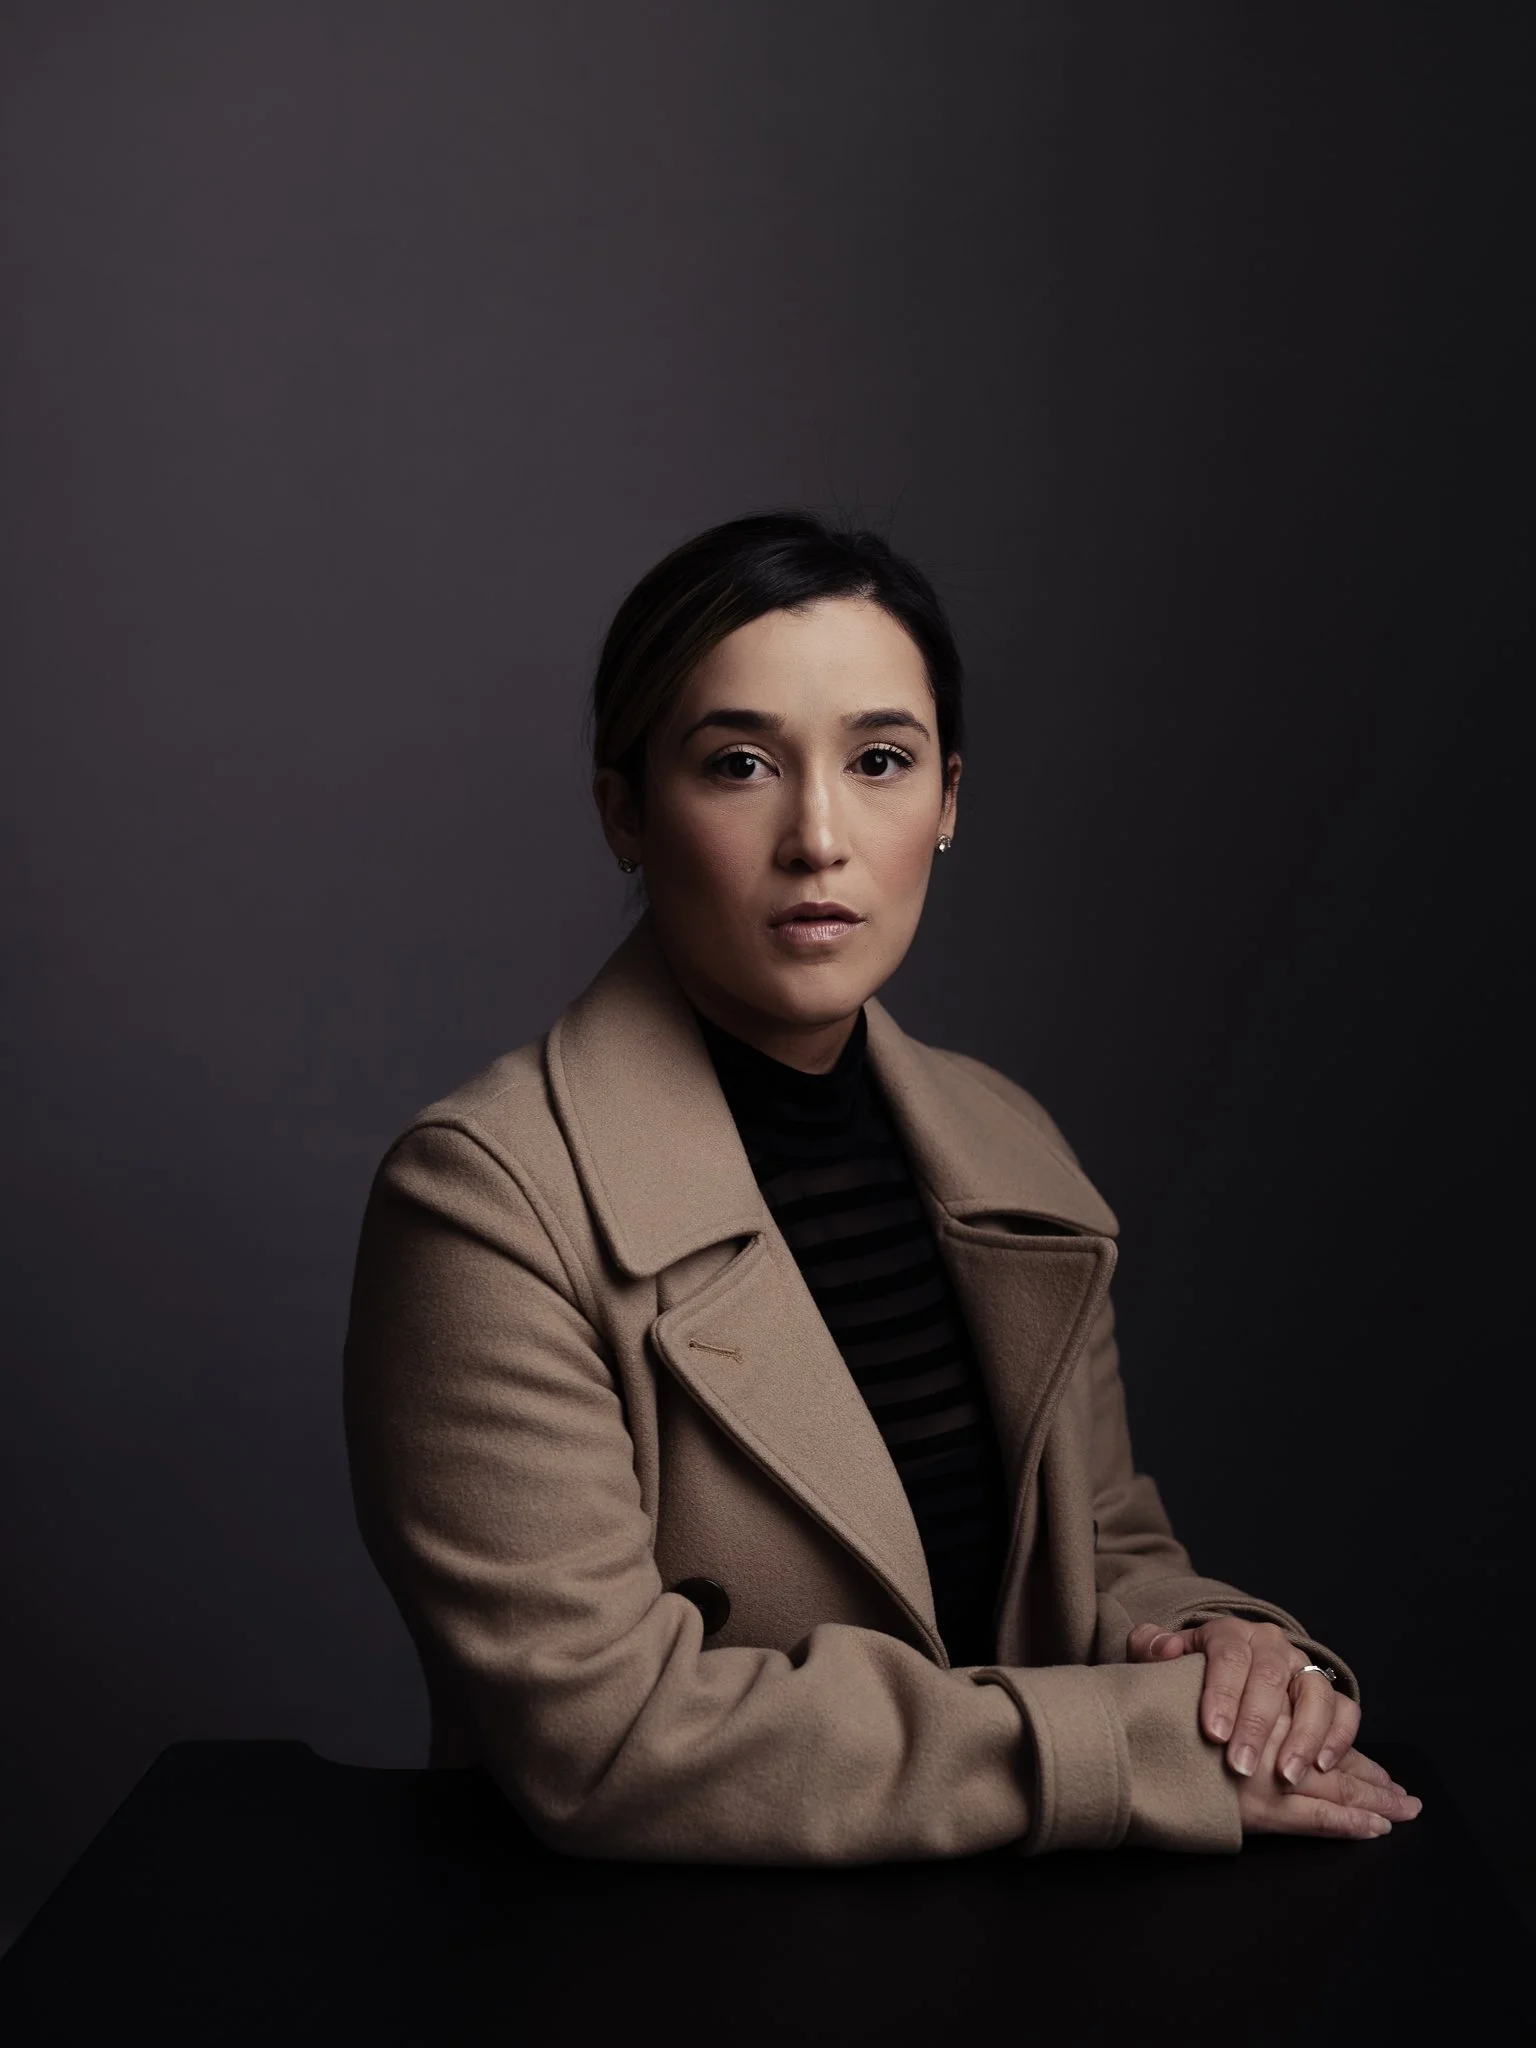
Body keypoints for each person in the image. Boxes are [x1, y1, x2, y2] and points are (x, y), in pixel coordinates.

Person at [342, 511, 1422, 1863]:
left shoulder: (1005, 1142)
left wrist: (1225, 1654)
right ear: (625, 810)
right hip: (651, 1972)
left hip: (1022, 1944)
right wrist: (1132, 1747)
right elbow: (604, 1741)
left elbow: (1100, 1550)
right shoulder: (487, 1204)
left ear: (950, 801)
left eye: (880, 762)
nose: (819, 835)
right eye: (737, 764)